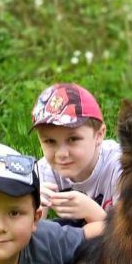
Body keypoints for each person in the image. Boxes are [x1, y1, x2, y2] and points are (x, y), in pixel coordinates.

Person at [31, 81, 122, 226]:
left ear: (99, 135)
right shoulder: (44, 170)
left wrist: (91, 212)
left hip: (117, 239)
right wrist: (32, 209)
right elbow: (30, 237)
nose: (61, 154)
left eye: (73, 139)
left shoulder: (120, 168)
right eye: (50, 141)